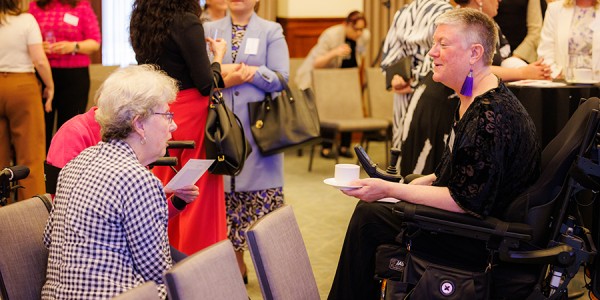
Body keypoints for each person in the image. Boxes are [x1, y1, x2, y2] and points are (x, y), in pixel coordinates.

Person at [328, 8, 541, 300]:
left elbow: (464, 200)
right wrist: (419, 182)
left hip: (481, 236)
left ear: (474, 53)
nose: (432, 53)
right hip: (478, 220)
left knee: (370, 217)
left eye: (443, 44)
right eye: (434, 44)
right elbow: (456, 169)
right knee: (389, 200)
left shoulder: (489, 115)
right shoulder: (473, 98)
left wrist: (390, 189)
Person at [42, 64, 178, 299]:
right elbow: (158, 272)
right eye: (167, 115)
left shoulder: (77, 163)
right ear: (139, 124)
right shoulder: (138, 180)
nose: (173, 125)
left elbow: (48, 238)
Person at [397, 0, 551, 177]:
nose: (433, 52)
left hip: (459, 105)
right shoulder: (458, 25)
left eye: (443, 44)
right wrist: (523, 72)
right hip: (438, 108)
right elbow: (476, 67)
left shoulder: (487, 111)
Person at [130, 0, 228, 255]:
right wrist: (218, 57)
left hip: (158, 110)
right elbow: (207, 83)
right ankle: (199, 266)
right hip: (193, 113)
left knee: (163, 185)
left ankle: (161, 257)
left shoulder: (141, 20)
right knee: (197, 190)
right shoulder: (186, 21)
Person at [203, 0, 289, 281]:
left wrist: (249, 72)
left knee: (262, 213)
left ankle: (272, 276)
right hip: (221, 131)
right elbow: (204, 76)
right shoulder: (209, 29)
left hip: (259, 134)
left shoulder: (271, 30)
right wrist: (232, 74)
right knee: (225, 207)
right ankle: (236, 270)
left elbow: (281, 78)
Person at [45, 105, 199, 220]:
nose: (173, 126)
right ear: (137, 121)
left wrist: (176, 201)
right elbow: (65, 216)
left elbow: (145, 220)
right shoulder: (74, 134)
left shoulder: (129, 138)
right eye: (166, 116)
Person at [295, 11, 370, 159]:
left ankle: (344, 146)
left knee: (349, 107)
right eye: (356, 29)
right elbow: (316, 63)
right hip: (324, 77)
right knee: (330, 107)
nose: (359, 33)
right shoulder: (330, 35)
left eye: (362, 29)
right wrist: (335, 52)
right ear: (346, 25)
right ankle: (327, 147)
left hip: (347, 76)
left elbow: (361, 56)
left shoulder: (365, 36)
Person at [29, 0, 100, 152]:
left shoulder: (81, 6)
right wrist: (38, 47)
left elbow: (95, 42)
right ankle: (42, 171)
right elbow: (26, 39)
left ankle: (67, 169)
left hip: (74, 76)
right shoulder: (35, 6)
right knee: (41, 127)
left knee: (70, 127)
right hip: (43, 74)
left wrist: (73, 46)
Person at [0, 0, 54, 200]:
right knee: (30, 155)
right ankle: (31, 211)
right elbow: (39, 60)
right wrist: (49, 85)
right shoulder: (26, 21)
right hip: (22, 86)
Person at [537, 0, 600, 79]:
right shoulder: (555, 9)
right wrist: (556, 74)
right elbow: (545, 52)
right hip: (562, 83)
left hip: (597, 84)